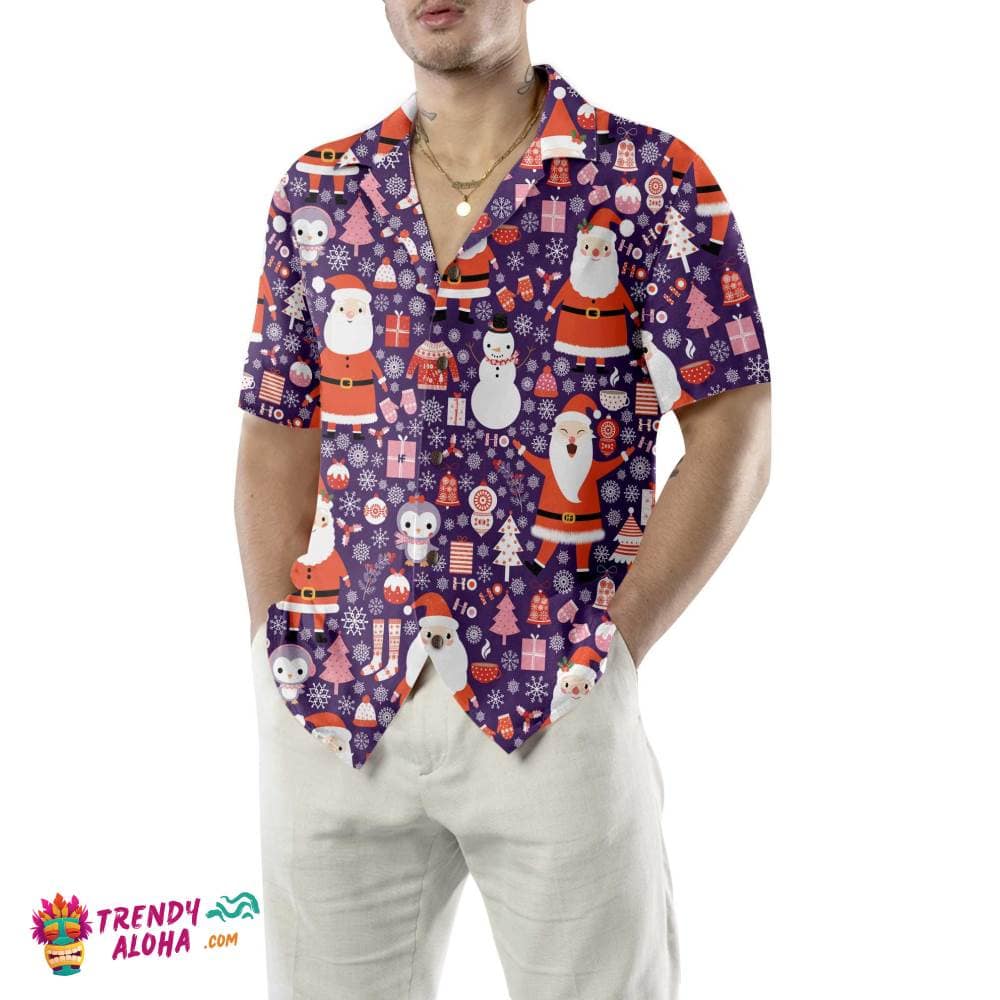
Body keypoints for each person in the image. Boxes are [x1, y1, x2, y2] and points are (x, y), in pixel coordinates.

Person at [234, 2, 771, 997]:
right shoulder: (317, 190)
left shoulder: (650, 178)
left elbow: (735, 426)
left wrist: (615, 647)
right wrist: (275, 639)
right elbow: (275, 434)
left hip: (557, 696)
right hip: (334, 707)